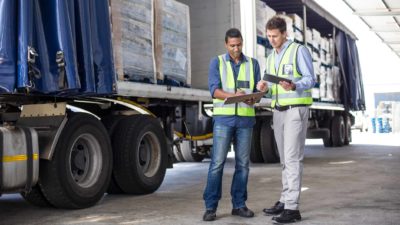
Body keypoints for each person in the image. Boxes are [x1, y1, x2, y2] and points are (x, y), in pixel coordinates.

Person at [257, 16, 315, 224]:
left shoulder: (299, 51)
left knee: (292, 158)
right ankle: (284, 199)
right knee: (284, 159)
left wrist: (295, 85)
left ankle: (292, 208)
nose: (271, 40)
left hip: (295, 110)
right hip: (278, 111)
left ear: (284, 34)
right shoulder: (271, 56)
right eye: (269, 36)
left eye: (275, 36)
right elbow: (272, 84)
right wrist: (263, 87)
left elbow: (310, 79)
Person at [203, 28, 261, 222]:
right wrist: (233, 96)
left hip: (245, 120)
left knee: (243, 165)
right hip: (223, 120)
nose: (236, 49)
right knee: (217, 164)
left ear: (242, 42)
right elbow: (214, 91)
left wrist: (254, 98)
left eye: (239, 45)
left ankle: (239, 205)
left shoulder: (253, 64)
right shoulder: (217, 62)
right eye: (232, 46)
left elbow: (255, 91)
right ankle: (210, 207)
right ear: (226, 44)